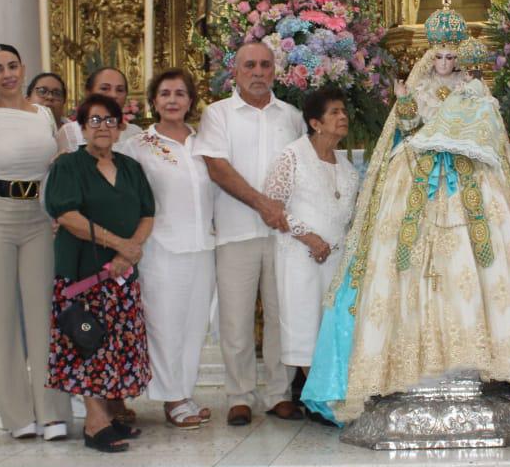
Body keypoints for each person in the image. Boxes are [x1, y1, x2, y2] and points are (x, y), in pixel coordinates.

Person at [303, 2, 510, 425]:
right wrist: (407, 106)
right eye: (439, 55)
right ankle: (406, 364)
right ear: (430, 55)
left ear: (461, 55)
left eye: (452, 55)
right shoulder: (420, 88)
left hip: (470, 182)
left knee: (480, 265)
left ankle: (484, 357)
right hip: (416, 180)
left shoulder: (475, 90)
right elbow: (405, 130)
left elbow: (491, 136)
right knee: (405, 264)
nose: (445, 62)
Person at [194, 42, 305, 426]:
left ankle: (278, 393)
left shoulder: (291, 116)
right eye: (250, 65)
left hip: (283, 236)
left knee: (281, 316)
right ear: (235, 72)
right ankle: (239, 395)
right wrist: (262, 204)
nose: (258, 72)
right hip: (235, 231)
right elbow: (217, 168)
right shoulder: (218, 114)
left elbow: (302, 170)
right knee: (236, 319)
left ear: (275, 70)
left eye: (265, 65)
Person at [0, 44, 71, 441]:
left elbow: (58, 166)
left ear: (23, 69)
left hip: (38, 218)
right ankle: (15, 415)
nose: (7, 73)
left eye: (12, 65)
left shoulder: (43, 115)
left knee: (45, 315)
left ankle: (52, 412)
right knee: (1, 318)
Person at [45, 94, 154, 452]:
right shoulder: (69, 166)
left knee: (116, 345)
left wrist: (131, 248)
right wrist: (120, 245)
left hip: (121, 276)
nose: (103, 127)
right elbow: (67, 216)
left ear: (120, 127)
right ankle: (94, 424)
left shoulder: (130, 167)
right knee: (87, 344)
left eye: (110, 120)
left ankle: (106, 416)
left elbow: (147, 213)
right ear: (81, 127)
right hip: (83, 276)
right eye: (95, 120)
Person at [119, 69, 216, 429]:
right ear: (154, 101)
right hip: (160, 249)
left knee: (194, 326)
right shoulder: (138, 146)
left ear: (191, 100)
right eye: (165, 94)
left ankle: (184, 392)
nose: (172, 100)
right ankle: (171, 397)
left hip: (203, 246)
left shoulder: (204, 142)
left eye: (179, 93)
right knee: (164, 325)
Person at [264, 88, 359, 378]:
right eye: (334, 112)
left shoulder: (347, 166)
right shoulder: (292, 156)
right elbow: (273, 208)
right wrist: (310, 238)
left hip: (337, 260)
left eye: (344, 111)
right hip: (301, 256)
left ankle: (332, 391)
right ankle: (316, 397)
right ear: (315, 123)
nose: (342, 117)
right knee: (305, 324)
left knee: (333, 324)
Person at [55, 66, 143, 154]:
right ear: (88, 92)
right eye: (104, 88)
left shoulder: (136, 133)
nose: (113, 95)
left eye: (120, 90)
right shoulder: (70, 131)